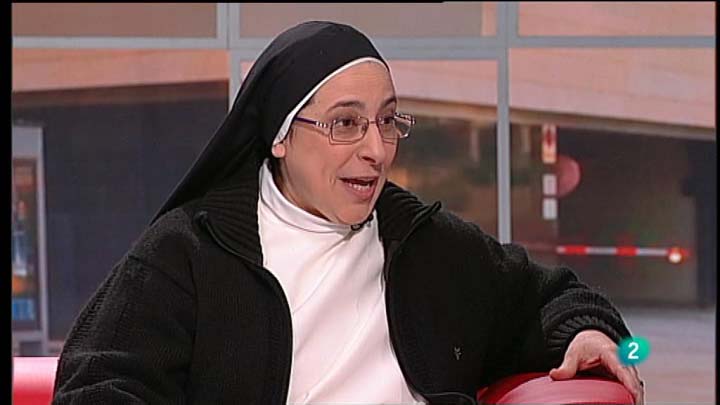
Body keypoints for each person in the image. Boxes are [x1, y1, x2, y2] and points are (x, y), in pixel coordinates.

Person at [52, 21, 644, 404]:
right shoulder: (189, 252)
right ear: (280, 138)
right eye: (345, 123)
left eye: (387, 121)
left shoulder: (430, 245)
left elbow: (568, 302)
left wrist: (605, 338)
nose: (376, 149)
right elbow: (96, 386)